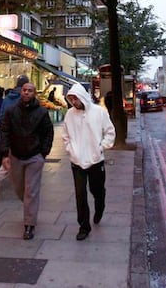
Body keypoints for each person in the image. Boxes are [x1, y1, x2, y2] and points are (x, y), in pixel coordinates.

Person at [0, 81, 54, 240]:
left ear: (34, 93)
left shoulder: (42, 112)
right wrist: (4, 153)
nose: (27, 93)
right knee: (19, 188)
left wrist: (44, 152)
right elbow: (5, 131)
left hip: (35, 156)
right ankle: (30, 206)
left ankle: (29, 225)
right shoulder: (11, 111)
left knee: (31, 190)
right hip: (16, 154)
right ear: (21, 92)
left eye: (30, 90)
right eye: (24, 90)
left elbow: (48, 132)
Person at [61, 82, 116, 240]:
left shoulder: (99, 112)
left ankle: (100, 207)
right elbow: (65, 136)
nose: (74, 102)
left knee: (97, 190)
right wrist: (71, 151)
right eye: (71, 99)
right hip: (76, 162)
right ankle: (84, 227)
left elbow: (110, 132)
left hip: (95, 161)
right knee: (80, 194)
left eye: (75, 98)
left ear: (82, 97)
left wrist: (101, 147)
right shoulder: (69, 114)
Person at [0, 74, 29, 200]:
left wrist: (5, 131)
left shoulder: (7, 98)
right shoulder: (26, 98)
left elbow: (1, 116)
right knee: (25, 160)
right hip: (23, 135)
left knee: (11, 158)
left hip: (9, 134)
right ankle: (24, 187)